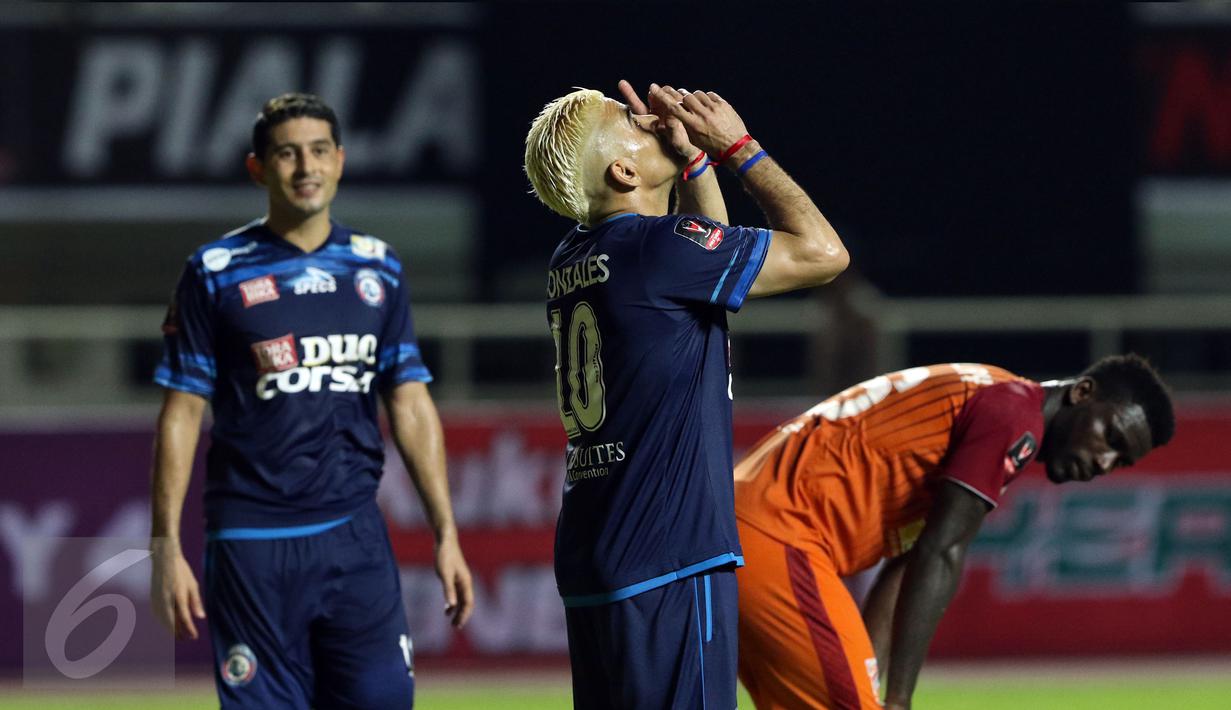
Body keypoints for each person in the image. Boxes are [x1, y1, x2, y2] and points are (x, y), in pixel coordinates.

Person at [523, 79, 850, 709]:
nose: (650, 118)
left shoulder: (579, 253)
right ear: (623, 170)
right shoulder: (656, 250)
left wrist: (692, 161)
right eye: (632, 122)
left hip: (601, 557)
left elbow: (706, 263)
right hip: (669, 554)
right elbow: (823, 254)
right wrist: (737, 148)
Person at [149, 92, 473, 709]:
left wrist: (445, 532)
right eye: (288, 154)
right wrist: (165, 546)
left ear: (341, 161)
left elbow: (409, 402)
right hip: (252, 546)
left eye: (319, 151)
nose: (306, 168)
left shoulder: (378, 269)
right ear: (258, 168)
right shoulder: (215, 271)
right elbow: (182, 413)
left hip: (354, 537)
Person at [734, 357, 1175, 709]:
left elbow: (908, 563)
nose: (1105, 462)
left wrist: (874, 680)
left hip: (739, 522)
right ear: (1082, 392)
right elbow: (941, 553)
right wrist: (900, 699)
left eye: (1120, 460)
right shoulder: (1014, 417)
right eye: (1111, 436)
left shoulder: (996, 398)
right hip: (778, 532)